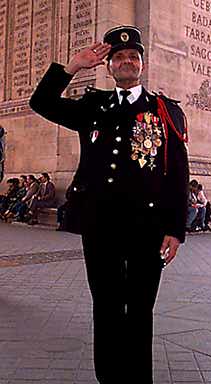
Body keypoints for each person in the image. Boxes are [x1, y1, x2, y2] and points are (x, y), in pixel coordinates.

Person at [29, 25, 189, 384]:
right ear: (109, 67)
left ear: (142, 65)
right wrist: (72, 66)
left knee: (140, 310)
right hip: (100, 227)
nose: (126, 62)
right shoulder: (92, 106)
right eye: (119, 58)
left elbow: (179, 173)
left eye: (133, 57)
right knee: (106, 306)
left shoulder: (165, 111)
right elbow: (40, 103)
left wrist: (175, 229)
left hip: (148, 230)